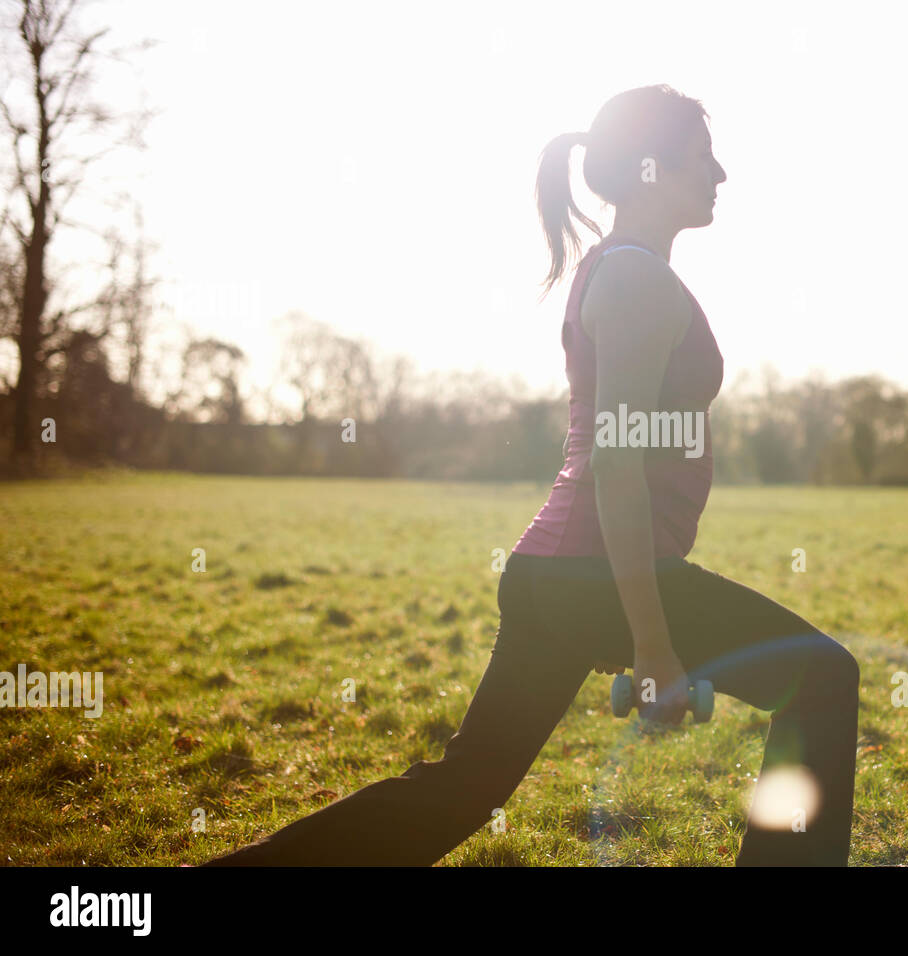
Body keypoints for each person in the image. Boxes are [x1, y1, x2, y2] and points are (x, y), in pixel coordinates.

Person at [203, 84, 859, 867]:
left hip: (564, 575)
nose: (720, 174)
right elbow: (615, 464)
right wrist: (653, 647)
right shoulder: (638, 282)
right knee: (821, 676)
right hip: (595, 572)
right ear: (651, 170)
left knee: (465, 788)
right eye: (702, 157)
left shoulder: (621, 271)